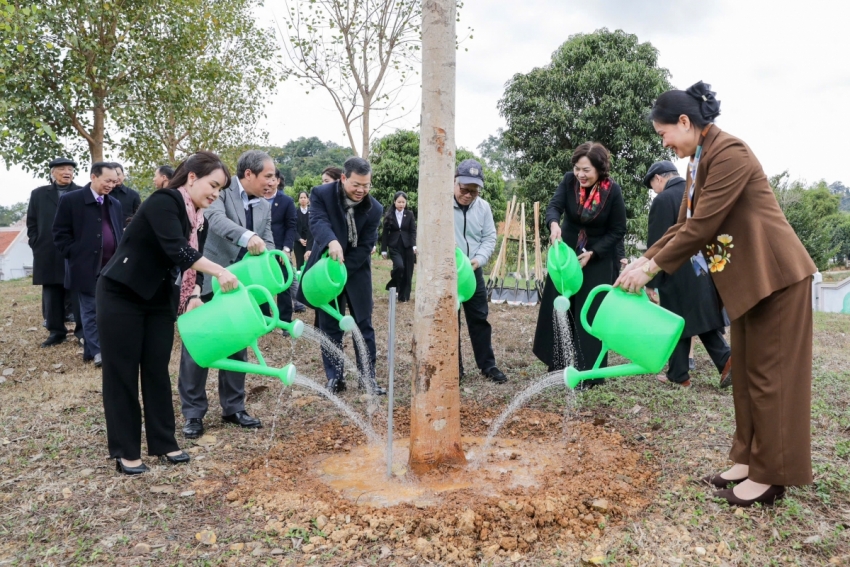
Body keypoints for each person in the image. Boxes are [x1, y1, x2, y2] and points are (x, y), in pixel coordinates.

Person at [616, 82, 816, 507]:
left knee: (769, 379)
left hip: (777, 278)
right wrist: (642, 260)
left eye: (664, 132)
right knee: (743, 374)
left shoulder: (731, 153)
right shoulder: (700, 161)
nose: (664, 142)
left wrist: (653, 268)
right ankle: (746, 460)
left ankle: (770, 476)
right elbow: (682, 223)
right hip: (748, 285)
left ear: (685, 122)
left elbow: (702, 225)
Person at [97, 151, 239, 475]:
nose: (215, 193)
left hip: (159, 299)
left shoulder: (198, 219)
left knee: (157, 370)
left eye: (220, 189)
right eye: (213, 185)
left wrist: (192, 294)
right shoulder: (164, 201)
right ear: (192, 177)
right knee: (122, 373)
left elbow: (193, 261)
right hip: (121, 294)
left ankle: (163, 442)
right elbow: (177, 249)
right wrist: (220, 271)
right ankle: (126, 452)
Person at [177, 150, 277, 438]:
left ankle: (234, 407)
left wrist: (272, 260)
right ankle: (193, 413)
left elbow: (267, 239)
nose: (273, 182)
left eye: (274, 177)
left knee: (238, 342)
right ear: (249, 174)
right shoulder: (219, 190)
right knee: (199, 344)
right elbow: (216, 222)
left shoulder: (265, 206)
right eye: (268, 176)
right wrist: (249, 237)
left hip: (239, 286)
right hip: (207, 278)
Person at [532, 142, 627, 388]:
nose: (580, 175)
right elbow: (554, 207)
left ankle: (589, 375)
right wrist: (554, 224)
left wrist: (593, 253)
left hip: (596, 258)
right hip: (566, 255)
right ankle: (558, 368)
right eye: (577, 169)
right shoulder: (568, 182)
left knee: (590, 313)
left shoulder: (612, 191)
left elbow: (618, 230)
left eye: (586, 170)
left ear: (599, 169)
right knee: (560, 307)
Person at [296, 157, 385, 394]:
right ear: (344, 178)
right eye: (356, 184)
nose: (361, 191)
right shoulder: (322, 194)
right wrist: (332, 241)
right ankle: (335, 377)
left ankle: (368, 378)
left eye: (366, 185)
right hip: (325, 267)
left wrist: (343, 269)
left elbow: (366, 245)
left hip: (355, 270)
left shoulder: (374, 208)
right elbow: (317, 221)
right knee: (330, 325)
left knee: (363, 325)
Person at [643, 160, 732, 389]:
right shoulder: (695, 192)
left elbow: (658, 241)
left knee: (679, 319)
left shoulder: (663, 200)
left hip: (676, 270)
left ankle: (720, 362)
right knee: (693, 318)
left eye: (652, 184)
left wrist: (649, 279)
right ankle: (682, 373)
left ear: (659, 178)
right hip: (702, 266)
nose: (654, 190)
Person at [52, 162, 124, 367]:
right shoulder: (71, 200)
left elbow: (117, 232)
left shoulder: (114, 204)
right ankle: (98, 351)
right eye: (107, 180)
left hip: (112, 267)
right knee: (91, 310)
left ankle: (104, 348)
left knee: (111, 309)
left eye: (114, 181)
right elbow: (59, 234)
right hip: (86, 266)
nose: (111, 185)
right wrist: (75, 253)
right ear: (93, 177)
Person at [454, 159, 508, 384]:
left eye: (474, 192)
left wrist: (478, 260)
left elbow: (489, 237)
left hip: (474, 270)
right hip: (450, 272)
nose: (468, 195)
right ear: (454, 182)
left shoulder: (483, 207)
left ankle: (488, 365)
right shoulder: (441, 204)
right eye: (464, 190)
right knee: (450, 321)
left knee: (479, 318)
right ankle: (454, 368)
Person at [27, 157, 84, 347]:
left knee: (79, 291)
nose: (67, 172)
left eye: (70, 169)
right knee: (52, 293)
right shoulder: (39, 194)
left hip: (76, 249)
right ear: (52, 172)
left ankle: (82, 332)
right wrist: (36, 242)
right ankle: (56, 332)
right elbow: (32, 222)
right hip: (48, 250)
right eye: (62, 169)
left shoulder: (83, 192)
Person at [261, 169, 298, 332]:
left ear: (278, 181)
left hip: (280, 250)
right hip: (259, 251)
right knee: (261, 284)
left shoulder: (286, 201)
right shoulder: (255, 198)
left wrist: (286, 248)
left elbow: (291, 226)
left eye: (272, 179)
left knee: (283, 284)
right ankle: (265, 320)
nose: (269, 183)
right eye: (266, 179)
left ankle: (284, 322)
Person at [380, 191, 417, 302]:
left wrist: (414, 245)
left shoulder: (410, 214)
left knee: (408, 271)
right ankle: (393, 283)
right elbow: (385, 234)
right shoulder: (389, 215)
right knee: (399, 267)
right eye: (399, 202)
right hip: (394, 246)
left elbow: (413, 231)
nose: (401, 204)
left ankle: (404, 296)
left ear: (406, 203)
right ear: (394, 202)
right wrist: (383, 250)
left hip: (408, 246)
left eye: (403, 202)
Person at [294, 191, 313, 270]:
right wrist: (299, 239)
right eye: (301, 198)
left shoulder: (312, 212)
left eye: (305, 197)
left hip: (310, 242)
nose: (303, 199)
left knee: (310, 263)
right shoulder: (295, 213)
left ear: (308, 199)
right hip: (298, 243)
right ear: (298, 199)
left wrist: (309, 240)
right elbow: (293, 228)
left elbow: (314, 227)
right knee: (300, 263)